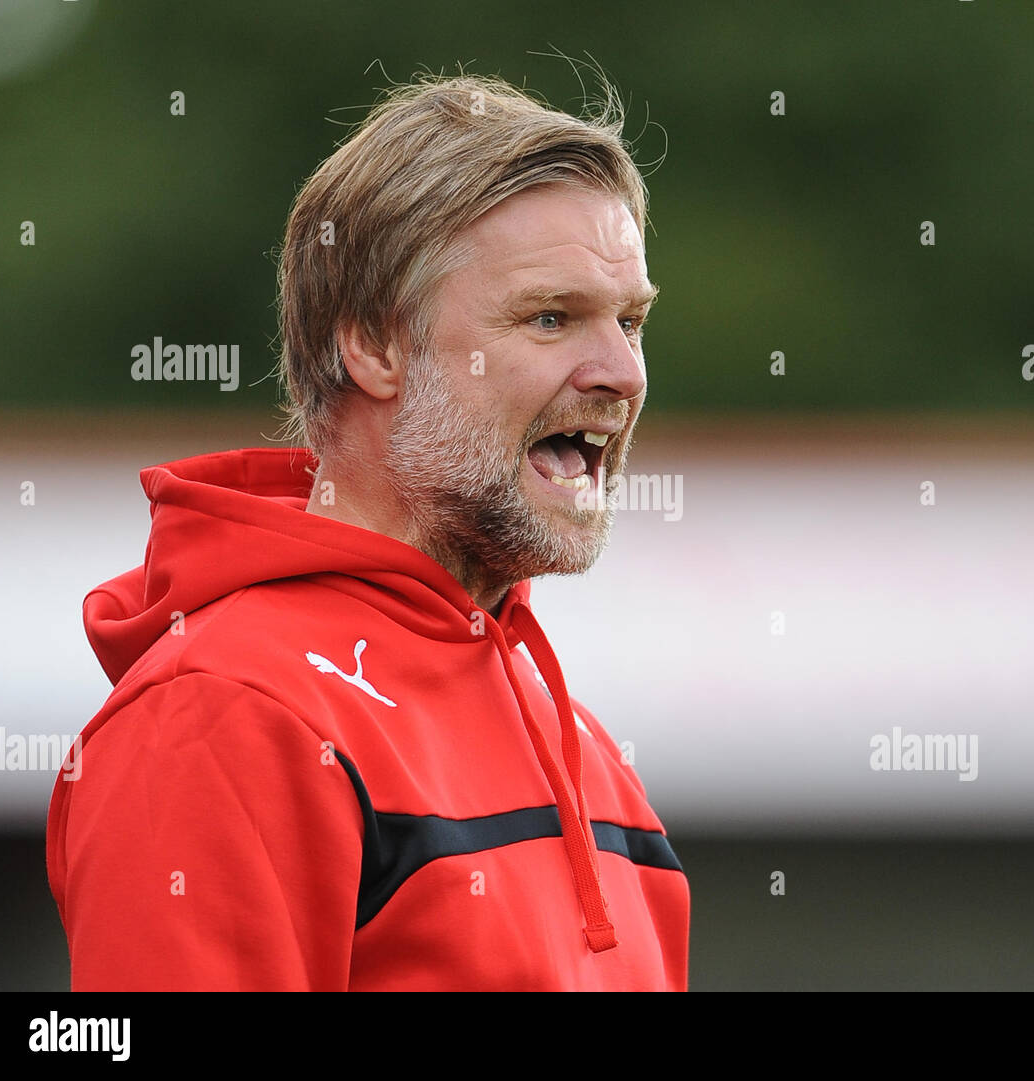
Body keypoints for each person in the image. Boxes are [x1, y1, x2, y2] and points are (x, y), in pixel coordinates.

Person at [45, 73, 690, 991]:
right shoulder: (220, 715)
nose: (623, 372)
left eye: (631, 321)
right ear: (375, 348)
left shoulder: (582, 747)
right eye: (551, 317)